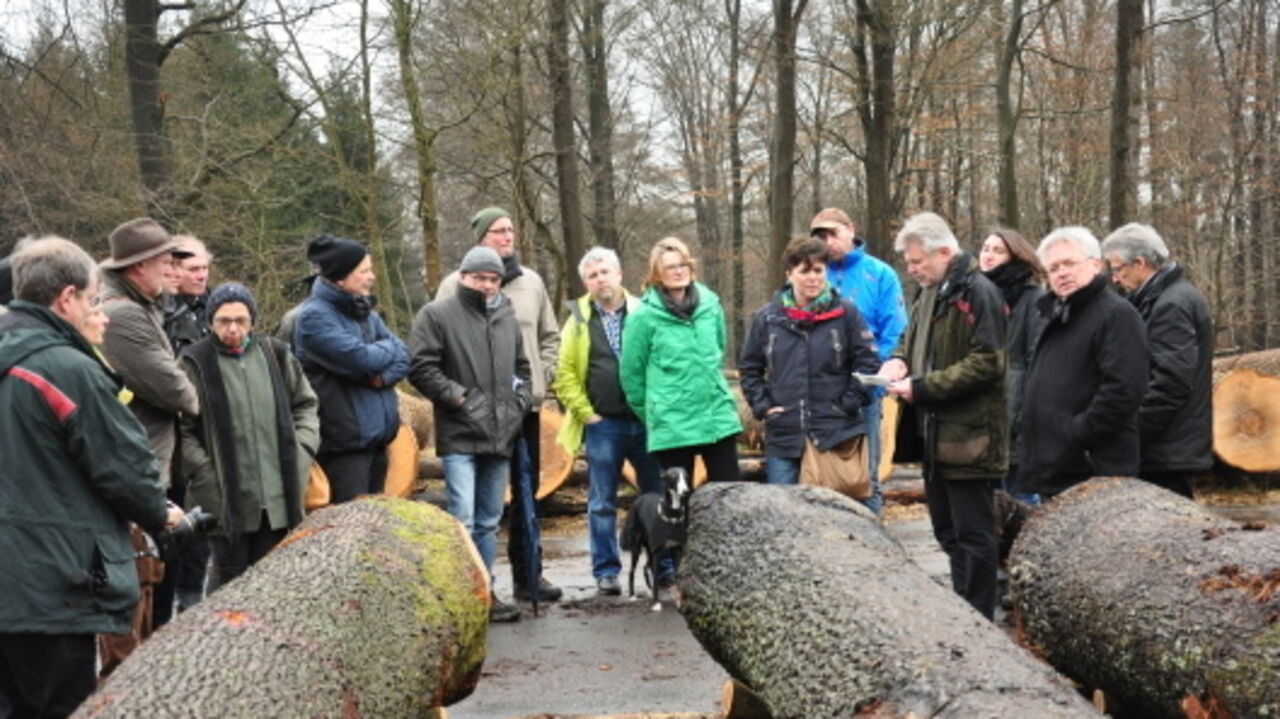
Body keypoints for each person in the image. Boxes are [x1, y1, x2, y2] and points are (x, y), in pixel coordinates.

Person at [0, 237, 183, 717]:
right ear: (67, 299)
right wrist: (158, 511)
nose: (95, 308)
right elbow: (125, 468)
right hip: (53, 585)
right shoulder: (67, 369)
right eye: (92, 297)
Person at [878, 212, 1007, 619]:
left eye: (918, 262)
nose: (912, 270)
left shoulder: (978, 292)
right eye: (909, 263)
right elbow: (909, 337)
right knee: (947, 532)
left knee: (974, 535)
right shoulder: (929, 291)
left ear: (945, 252)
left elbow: (988, 361)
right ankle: (963, 611)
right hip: (933, 433)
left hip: (971, 438)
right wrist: (898, 362)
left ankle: (980, 617)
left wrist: (923, 387)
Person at [435, 207, 562, 604]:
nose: (507, 237)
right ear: (480, 239)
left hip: (523, 407)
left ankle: (530, 574)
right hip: (472, 414)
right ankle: (472, 586)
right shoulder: (449, 287)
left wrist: (536, 385)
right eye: (497, 231)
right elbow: (439, 347)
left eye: (510, 230)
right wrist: (464, 398)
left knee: (528, 492)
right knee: (474, 508)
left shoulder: (532, 283)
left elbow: (549, 338)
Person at [409, 246, 531, 622]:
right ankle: (459, 595)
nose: (486, 285)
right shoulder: (437, 314)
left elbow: (522, 367)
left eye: (493, 279)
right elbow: (421, 367)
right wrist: (461, 399)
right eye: (479, 277)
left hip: (500, 433)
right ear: (462, 276)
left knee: (490, 519)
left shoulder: (507, 316)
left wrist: (520, 401)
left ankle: (485, 591)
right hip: (461, 431)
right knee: (461, 519)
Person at [179, 283, 320, 591]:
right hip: (225, 499)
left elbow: (306, 406)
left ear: (252, 320)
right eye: (223, 320)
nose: (232, 328)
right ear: (210, 322)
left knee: (277, 585)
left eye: (240, 320)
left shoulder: (276, 355)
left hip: (279, 498)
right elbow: (183, 430)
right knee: (228, 588)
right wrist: (204, 476)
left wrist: (302, 449)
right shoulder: (194, 362)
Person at [554, 247, 666, 596]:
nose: (600, 279)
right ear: (586, 283)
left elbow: (662, 361)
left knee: (657, 496)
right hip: (604, 425)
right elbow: (565, 373)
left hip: (646, 422)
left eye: (605, 272)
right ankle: (606, 571)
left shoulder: (645, 312)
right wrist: (586, 413)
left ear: (619, 274)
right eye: (593, 275)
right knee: (602, 502)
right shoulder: (578, 321)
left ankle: (664, 565)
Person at [739, 236, 881, 496]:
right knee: (784, 513)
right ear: (789, 274)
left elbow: (868, 363)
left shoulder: (846, 313)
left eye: (818, 270)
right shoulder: (767, 318)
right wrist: (763, 406)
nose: (813, 277)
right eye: (804, 271)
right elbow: (750, 369)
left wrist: (847, 403)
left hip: (835, 433)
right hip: (785, 434)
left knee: (843, 513)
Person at [1019, 226, 1148, 496]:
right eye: (1053, 268)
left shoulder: (1116, 315)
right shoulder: (1053, 315)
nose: (1062, 273)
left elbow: (1123, 390)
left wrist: (1076, 433)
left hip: (1094, 471)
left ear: (1096, 265)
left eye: (1069, 263)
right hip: (1055, 469)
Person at [294, 234, 409, 503]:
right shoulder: (314, 318)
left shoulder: (363, 311)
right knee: (348, 532)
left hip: (378, 441)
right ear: (340, 278)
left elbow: (404, 354)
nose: (372, 277)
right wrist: (384, 353)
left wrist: (382, 378)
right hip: (345, 448)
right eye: (364, 271)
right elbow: (362, 359)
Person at [621, 237, 743, 489]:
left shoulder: (711, 306)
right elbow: (632, 376)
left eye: (682, 264)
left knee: (731, 500)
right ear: (657, 274)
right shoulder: (643, 318)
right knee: (677, 507)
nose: (678, 271)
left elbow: (718, 349)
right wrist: (657, 412)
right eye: (669, 267)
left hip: (716, 419)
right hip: (673, 426)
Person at [1101, 223, 1212, 498]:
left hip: (1167, 449)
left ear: (1139, 263)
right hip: (1165, 445)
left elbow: (1170, 383)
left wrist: (1132, 433)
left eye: (1117, 269)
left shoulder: (1171, 304)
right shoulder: (1158, 298)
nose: (1115, 278)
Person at [814, 208, 907, 515]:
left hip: (864, 389)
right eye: (820, 236)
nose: (828, 242)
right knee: (820, 477)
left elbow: (894, 330)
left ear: (850, 230)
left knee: (867, 477)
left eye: (832, 233)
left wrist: (871, 374)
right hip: (820, 391)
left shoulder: (880, 275)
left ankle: (875, 550)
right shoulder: (814, 274)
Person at [97, 218, 201, 492]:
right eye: (166, 262)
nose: (173, 270)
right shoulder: (123, 314)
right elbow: (175, 391)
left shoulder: (138, 306)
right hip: (136, 468)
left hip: (139, 461)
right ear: (139, 265)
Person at [978, 228, 1048, 504]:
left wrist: (1025, 411)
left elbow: (1037, 359)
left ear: (1015, 256)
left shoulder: (1034, 298)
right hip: (980, 413)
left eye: (998, 250)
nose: (989, 256)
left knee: (1020, 498)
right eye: (985, 248)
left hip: (1017, 408)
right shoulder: (974, 295)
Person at [162, 235, 212, 355]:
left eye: (204, 268)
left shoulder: (218, 306)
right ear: (172, 270)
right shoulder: (157, 311)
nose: (202, 276)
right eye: (193, 269)